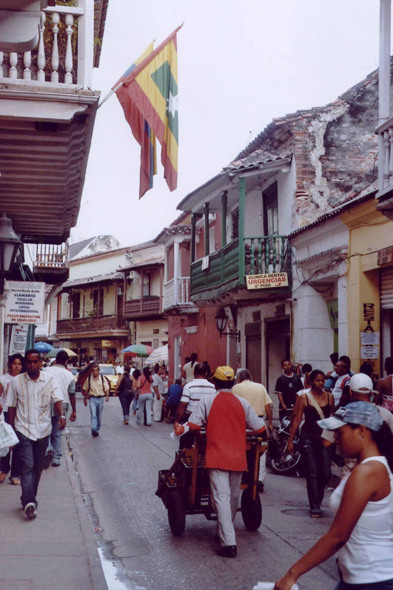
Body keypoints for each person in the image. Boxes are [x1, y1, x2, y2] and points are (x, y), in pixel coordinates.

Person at [274, 401, 393, 590]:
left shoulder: (368, 472)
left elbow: (338, 536)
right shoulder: (365, 468)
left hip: (373, 580)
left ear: (362, 431)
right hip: (355, 579)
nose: (335, 438)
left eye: (340, 432)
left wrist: (292, 573)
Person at [188, 366, 267, 558]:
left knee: (222, 499)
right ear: (233, 383)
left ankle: (229, 543)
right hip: (238, 458)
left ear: (214, 382)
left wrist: (203, 433)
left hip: (216, 456)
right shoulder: (242, 403)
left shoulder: (207, 401)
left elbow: (193, 426)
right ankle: (223, 533)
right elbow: (260, 429)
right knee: (232, 497)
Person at [6, 350, 65, 519]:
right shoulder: (16, 382)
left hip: (43, 430)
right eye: (29, 362)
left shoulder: (50, 380)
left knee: (38, 468)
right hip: (23, 429)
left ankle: (29, 498)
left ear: (40, 362)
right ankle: (30, 502)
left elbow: (57, 399)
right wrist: (10, 432)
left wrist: (61, 415)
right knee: (27, 465)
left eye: (35, 362)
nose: (32, 365)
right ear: (26, 363)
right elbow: (11, 406)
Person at [287, 370, 334, 517]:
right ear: (312, 381)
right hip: (307, 438)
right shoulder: (304, 397)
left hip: (324, 439)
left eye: (323, 380)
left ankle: (317, 499)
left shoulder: (330, 397)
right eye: (318, 380)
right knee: (313, 472)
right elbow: (297, 419)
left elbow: (331, 418)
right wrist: (290, 440)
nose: (321, 383)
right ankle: (314, 506)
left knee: (325, 473)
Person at [232, 368, 273, 492]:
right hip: (259, 421)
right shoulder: (260, 387)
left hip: (241, 423)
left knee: (241, 448)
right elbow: (267, 406)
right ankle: (259, 479)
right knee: (261, 451)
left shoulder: (235, 388)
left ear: (238, 378)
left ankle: (243, 475)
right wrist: (270, 422)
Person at [43, 349, 76, 467]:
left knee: (45, 429)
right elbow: (72, 393)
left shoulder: (46, 370)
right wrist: (74, 411)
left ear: (56, 360)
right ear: (66, 361)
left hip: (46, 403)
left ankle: (48, 449)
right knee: (57, 432)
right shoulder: (69, 374)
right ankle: (56, 458)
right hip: (62, 404)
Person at [175, 362, 216, 448]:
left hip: (190, 420)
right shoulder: (213, 387)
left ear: (194, 373)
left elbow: (183, 405)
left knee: (185, 446)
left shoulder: (188, 386)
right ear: (206, 373)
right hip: (207, 421)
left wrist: (177, 421)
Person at [0, 354, 23, 485]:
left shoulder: (23, 379)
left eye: (19, 364)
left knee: (18, 443)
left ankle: (15, 474)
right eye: (14, 363)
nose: (17, 366)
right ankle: (4, 469)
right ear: (10, 365)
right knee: (6, 442)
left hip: (20, 414)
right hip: (6, 413)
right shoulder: (3, 379)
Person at [82, 363, 109, 437]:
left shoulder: (102, 378)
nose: (95, 372)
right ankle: (94, 429)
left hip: (100, 398)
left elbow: (106, 388)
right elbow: (86, 389)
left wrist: (107, 396)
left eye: (96, 370)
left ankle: (97, 428)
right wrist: (85, 399)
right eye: (93, 370)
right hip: (92, 398)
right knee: (93, 415)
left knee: (98, 415)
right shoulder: (89, 378)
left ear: (99, 371)